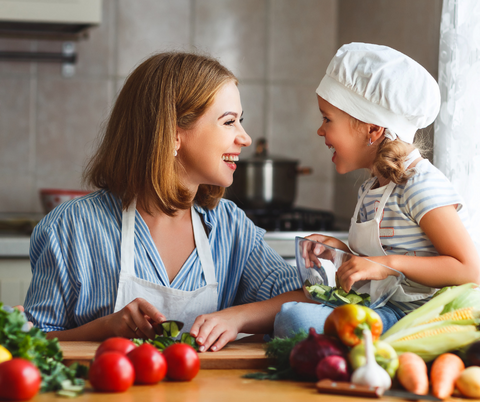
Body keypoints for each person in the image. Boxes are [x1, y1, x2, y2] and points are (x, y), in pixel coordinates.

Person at [24, 51, 308, 352]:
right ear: (173, 133)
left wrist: (237, 317)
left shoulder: (229, 226)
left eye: (240, 121)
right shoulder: (71, 228)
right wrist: (103, 329)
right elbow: (30, 343)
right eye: (229, 122)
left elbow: (306, 297)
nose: (245, 138)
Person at [273, 43, 480, 338]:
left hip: (421, 317)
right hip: (384, 306)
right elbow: (377, 266)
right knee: (292, 314)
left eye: (327, 119)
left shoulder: (419, 183)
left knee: (295, 320)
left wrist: (386, 265)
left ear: (373, 130)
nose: (320, 131)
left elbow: (469, 270)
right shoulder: (373, 187)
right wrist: (341, 253)